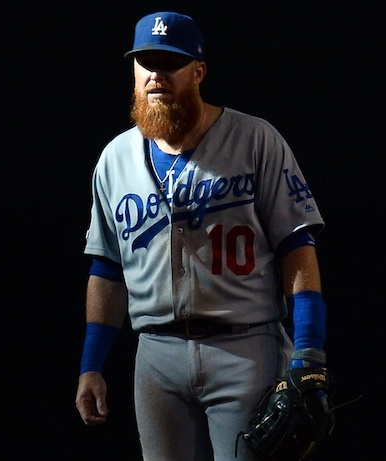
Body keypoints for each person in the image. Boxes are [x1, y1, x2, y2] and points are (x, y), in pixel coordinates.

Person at [75, 11, 330, 460]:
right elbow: (107, 268)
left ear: (198, 71)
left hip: (245, 349)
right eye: (145, 62)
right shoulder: (114, 158)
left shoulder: (255, 139)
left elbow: (296, 247)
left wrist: (308, 350)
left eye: (169, 62)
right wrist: (91, 365)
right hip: (156, 357)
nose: (156, 75)